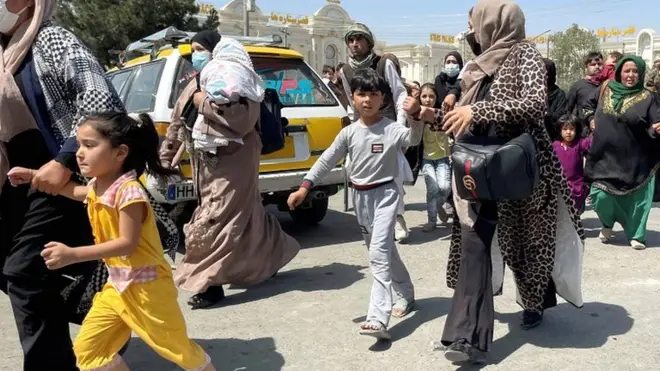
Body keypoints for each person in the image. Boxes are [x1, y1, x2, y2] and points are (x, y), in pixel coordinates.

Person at [431, 0, 584, 362]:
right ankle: (465, 337)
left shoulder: (524, 54)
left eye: (474, 22)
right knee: (474, 246)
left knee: (525, 246)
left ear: (493, 23)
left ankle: (535, 302)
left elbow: (534, 104)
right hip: (477, 169)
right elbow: (461, 117)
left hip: (521, 169)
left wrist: (478, 110)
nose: (470, 30)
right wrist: (428, 113)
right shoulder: (476, 66)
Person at [8, 113, 216, 371]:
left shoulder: (129, 192)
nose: (80, 153)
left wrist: (72, 254)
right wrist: (33, 174)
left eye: (90, 145)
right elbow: (74, 191)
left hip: (147, 289)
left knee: (177, 348)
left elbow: (126, 244)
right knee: (89, 349)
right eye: (80, 145)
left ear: (120, 153)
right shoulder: (98, 186)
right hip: (117, 288)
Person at [0, 1, 127, 369]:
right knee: (26, 275)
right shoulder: (6, 53)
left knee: (23, 270)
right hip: (17, 184)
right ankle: (101, 332)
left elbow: (102, 99)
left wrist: (65, 158)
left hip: (61, 181)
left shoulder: (50, 39)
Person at [161, 34, 301, 309]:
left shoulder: (235, 81)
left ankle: (208, 283)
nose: (196, 55)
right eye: (193, 51)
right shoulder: (197, 82)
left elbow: (241, 121)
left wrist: (203, 102)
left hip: (235, 160)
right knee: (247, 213)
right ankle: (274, 256)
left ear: (215, 51)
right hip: (205, 162)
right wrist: (166, 155)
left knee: (216, 217)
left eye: (201, 49)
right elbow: (178, 120)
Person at [288, 69, 421, 340]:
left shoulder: (392, 129)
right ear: (353, 98)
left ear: (383, 98)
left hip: (386, 196)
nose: (367, 100)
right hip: (361, 199)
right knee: (383, 251)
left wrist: (416, 117)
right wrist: (305, 186)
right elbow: (327, 159)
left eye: (374, 94)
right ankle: (406, 293)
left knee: (378, 255)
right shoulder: (348, 133)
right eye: (362, 94)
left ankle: (377, 318)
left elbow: (413, 139)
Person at [338, 23, 415, 242]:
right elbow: (350, 101)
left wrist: (400, 126)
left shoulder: (384, 63)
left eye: (359, 39)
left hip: (387, 124)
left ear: (368, 42)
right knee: (358, 172)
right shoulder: (345, 70)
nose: (354, 44)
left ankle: (397, 216)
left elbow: (399, 94)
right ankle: (374, 221)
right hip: (362, 128)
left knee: (393, 174)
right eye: (350, 40)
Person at [584, 56, 660, 250]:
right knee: (600, 195)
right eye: (627, 71)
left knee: (638, 199)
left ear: (641, 74)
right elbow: (586, 106)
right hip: (605, 156)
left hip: (635, 159)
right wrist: (591, 118)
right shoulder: (605, 88)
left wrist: (656, 129)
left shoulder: (648, 97)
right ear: (619, 72)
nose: (631, 75)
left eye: (635, 71)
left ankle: (636, 235)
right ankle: (607, 224)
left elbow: (654, 125)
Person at [417, 83, 451, 232]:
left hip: (443, 158)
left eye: (431, 96)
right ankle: (432, 221)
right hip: (426, 160)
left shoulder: (441, 115)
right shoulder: (417, 118)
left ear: (436, 98)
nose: (427, 99)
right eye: (424, 96)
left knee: (444, 187)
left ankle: (438, 205)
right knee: (432, 189)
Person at [552, 114, 592, 214]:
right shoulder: (554, 146)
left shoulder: (580, 143)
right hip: (559, 188)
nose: (568, 132)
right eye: (565, 129)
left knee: (576, 213)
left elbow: (593, 143)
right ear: (559, 130)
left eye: (571, 129)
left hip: (577, 188)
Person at [567, 51, 604, 136]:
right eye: (593, 64)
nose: (597, 67)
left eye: (599, 64)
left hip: (604, 132)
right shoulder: (578, 86)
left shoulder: (607, 85)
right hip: (583, 134)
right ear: (586, 67)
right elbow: (568, 109)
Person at [543, 58, 568, 139]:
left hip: (553, 135)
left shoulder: (559, 94)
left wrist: (545, 116)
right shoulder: (533, 92)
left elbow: (560, 115)